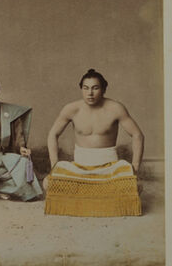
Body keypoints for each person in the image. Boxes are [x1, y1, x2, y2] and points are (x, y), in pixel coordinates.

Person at [44, 68, 143, 217]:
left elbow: (137, 135)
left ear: (103, 90)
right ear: (81, 89)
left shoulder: (116, 108)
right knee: (48, 183)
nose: (90, 93)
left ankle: (88, 199)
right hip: (79, 168)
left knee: (134, 185)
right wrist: (54, 165)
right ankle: (97, 199)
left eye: (95, 88)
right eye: (86, 88)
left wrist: (135, 168)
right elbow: (53, 134)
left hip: (109, 168)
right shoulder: (71, 109)